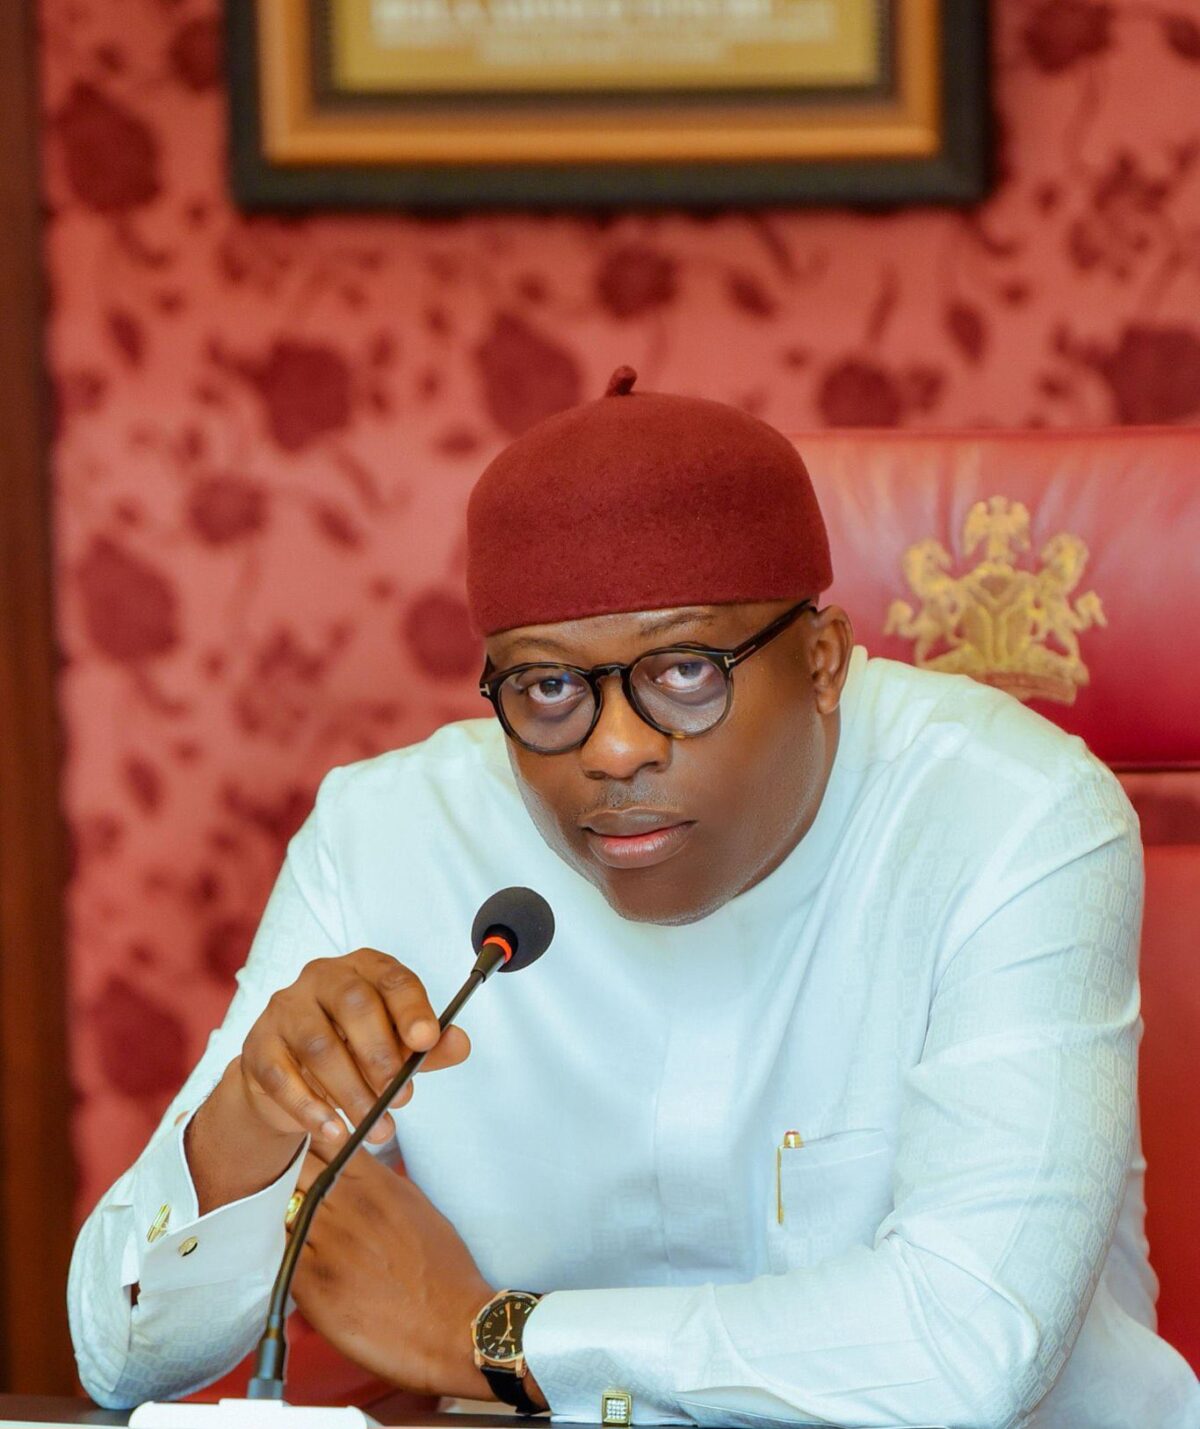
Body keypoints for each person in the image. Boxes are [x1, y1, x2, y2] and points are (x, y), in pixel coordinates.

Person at [68, 367, 1199, 1428]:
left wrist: (489, 1337)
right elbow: (116, 1358)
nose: (613, 748)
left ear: (823, 662)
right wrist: (247, 1128)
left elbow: (970, 1347)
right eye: (548, 686)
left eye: (686, 671)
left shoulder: (1013, 813)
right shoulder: (388, 834)